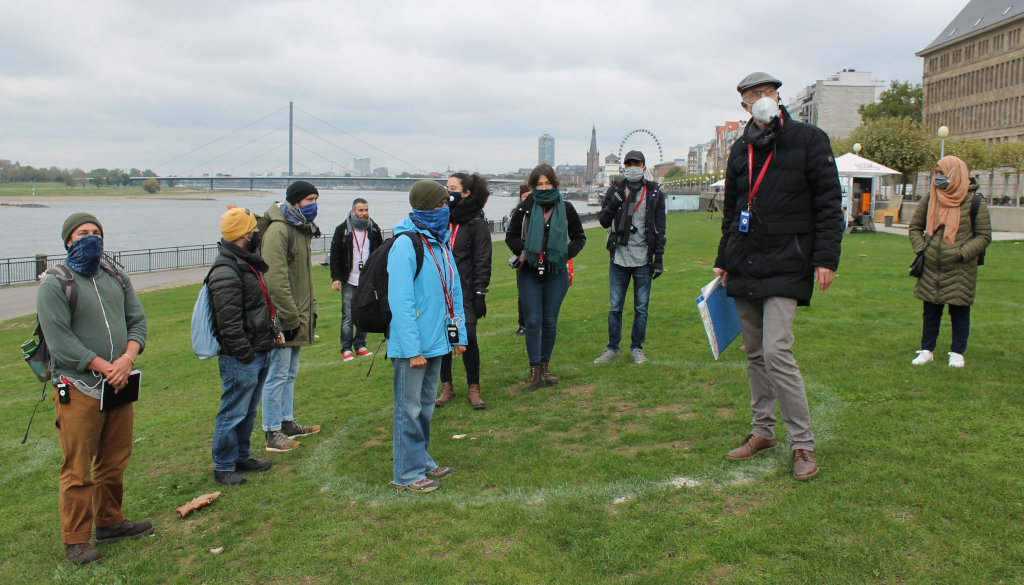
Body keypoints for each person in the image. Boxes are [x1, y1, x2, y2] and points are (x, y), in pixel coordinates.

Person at [713, 72, 843, 481]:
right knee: (754, 354)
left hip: (789, 260)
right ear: (744, 105)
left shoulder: (809, 139)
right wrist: (724, 258)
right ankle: (762, 432)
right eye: (754, 95)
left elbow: (828, 202)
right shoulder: (740, 148)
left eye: (768, 92)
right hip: (747, 262)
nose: (762, 99)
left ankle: (802, 444)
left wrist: (826, 259)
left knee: (776, 351)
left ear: (778, 96)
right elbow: (733, 211)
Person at [37, 213, 152, 565]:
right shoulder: (55, 284)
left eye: (96, 232)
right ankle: (76, 540)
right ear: (68, 240)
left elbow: (138, 322)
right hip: (79, 387)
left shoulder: (116, 277)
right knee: (78, 467)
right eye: (83, 233)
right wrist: (104, 366)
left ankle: (110, 521)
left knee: (114, 459)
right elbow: (60, 342)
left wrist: (127, 361)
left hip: (119, 384)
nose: (91, 237)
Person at [387, 180, 467, 492]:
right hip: (414, 347)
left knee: (425, 406)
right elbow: (401, 302)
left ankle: (420, 459)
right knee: (408, 408)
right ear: (422, 208)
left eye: (445, 205)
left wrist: (457, 336)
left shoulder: (441, 242)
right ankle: (406, 474)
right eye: (437, 206)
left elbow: (453, 292)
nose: (444, 210)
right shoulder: (406, 244)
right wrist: (411, 349)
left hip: (437, 342)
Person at [208, 208, 282, 486]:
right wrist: (245, 353)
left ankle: (241, 455)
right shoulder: (226, 270)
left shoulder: (245, 262)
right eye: (253, 229)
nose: (257, 233)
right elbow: (228, 322)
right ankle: (223, 465)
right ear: (243, 234)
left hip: (257, 348)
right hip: (242, 354)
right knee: (233, 409)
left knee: (248, 408)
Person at [506, 164, 587, 392]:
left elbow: (579, 238)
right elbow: (510, 236)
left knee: (549, 322)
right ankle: (534, 372)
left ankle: (545, 367)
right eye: (538, 184)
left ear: (554, 183)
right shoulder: (525, 208)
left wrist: (562, 255)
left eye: (547, 183)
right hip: (529, 271)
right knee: (532, 322)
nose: (543, 187)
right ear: (533, 186)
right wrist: (524, 252)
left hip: (555, 272)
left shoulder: (567, 208)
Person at [908, 155, 991, 368]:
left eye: (942, 173)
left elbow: (983, 236)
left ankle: (957, 352)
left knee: (959, 310)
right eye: (936, 173)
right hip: (932, 267)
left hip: (960, 268)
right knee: (931, 311)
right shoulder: (932, 197)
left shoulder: (974, 202)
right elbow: (915, 227)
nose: (938, 178)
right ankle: (926, 350)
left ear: (955, 174)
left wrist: (961, 253)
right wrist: (922, 249)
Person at [260, 180, 322, 452]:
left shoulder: (300, 229)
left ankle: (287, 421)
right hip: (284, 318)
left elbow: (302, 279)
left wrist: (311, 311)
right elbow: (276, 279)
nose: (314, 205)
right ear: (295, 202)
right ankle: (271, 430)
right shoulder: (279, 230)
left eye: (315, 199)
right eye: (309, 200)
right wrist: (290, 318)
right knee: (277, 373)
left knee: (290, 372)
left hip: (298, 315)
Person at [594, 150, 667, 364]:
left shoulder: (654, 193)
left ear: (644, 166)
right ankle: (612, 348)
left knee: (641, 308)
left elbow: (660, 228)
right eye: (629, 163)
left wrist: (659, 258)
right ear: (624, 166)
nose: (633, 167)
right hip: (619, 257)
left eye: (637, 163)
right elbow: (604, 221)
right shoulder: (615, 190)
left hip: (643, 258)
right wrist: (613, 203)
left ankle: (637, 347)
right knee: (615, 307)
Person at [436, 172, 492, 409]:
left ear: (466, 192)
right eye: (446, 187)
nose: (448, 192)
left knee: (468, 336)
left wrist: (480, 292)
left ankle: (474, 388)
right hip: (439, 289)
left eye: (453, 188)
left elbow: (483, 260)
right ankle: (446, 386)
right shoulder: (441, 219)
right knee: (442, 339)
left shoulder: (476, 223)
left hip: (465, 290)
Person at [330, 198, 383, 361]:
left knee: (365, 312)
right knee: (348, 315)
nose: (364, 213)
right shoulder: (343, 229)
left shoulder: (374, 229)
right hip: (349, 280)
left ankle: (360, 345)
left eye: (366, 210)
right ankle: (346, 349)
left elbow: (380, 253)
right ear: (353, 211)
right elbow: (335, 255)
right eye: (360, 210)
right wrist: (336, 278)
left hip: (367, 281)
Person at [513, 184, 530, 337]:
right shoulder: (517, 214)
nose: (526, 199)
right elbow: (512, 236)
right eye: (524, 197)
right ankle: (523, 324)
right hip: (522, 258)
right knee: (522, 293)